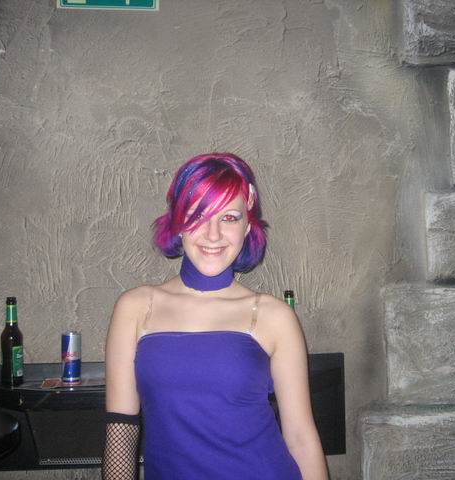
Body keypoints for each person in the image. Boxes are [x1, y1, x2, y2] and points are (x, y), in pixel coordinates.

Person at [102, 153, 328, 479]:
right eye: (198, 215)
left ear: (247, 226)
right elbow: (121, 433)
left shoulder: (273, 316)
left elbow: (301, 438)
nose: (213, 234)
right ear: (178, 222)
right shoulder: (136, 308)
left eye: (229, 218)